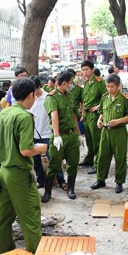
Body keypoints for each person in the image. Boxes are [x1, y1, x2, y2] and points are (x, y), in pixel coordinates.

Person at [0, 78, 47, 254]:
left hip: (3, 170)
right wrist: (42, 148)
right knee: (30, 216)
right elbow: (26, 150)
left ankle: (6, 254)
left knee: (4, 217)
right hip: (18, 174)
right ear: (31, 95)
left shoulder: (2, 113)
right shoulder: (24, 116)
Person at [90, 74, 128, 194]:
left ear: (118, 86)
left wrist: (118, 121)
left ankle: (119, 182)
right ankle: (100, 179)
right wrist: (100, 120)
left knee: (120, 157)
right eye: (108, 86)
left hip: (119, 132)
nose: (110, 89)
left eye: (112, 87)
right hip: (105, 131)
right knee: (102, 156)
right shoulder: (105, 98)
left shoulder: (125, 99)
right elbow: (102, 112)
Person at [42, 71, 82, 202]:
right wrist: (57, 135)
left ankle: (71, 188)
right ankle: (47, 192)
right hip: (60, 137)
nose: (72, 85)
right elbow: (54, 116)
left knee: (73, 163)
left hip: (72, 136)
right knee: (54, 165)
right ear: (64, 83)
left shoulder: (70, 96)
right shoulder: (51, 97)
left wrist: (79, 134)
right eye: (71, 82)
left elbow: (74, 116)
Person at [28, 76, 66, 190]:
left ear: (38, 87)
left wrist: (56, 134)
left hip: (46, 134)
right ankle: (41, 181)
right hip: (33, 134)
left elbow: (54, 116)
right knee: (36, 161)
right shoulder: (29, 98)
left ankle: (61, 181)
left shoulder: (47, 98)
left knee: (53, 159)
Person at [80, 60, 107, 174]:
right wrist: (82, 114)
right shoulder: (86, 83)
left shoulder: (99, 82)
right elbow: (84, 100)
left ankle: (98, 164)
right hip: (86, 115)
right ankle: (89, 159)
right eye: (83, 70)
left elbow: (106, 97)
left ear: (92, 69)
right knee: (89, 139)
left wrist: (98, 107)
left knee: (96, 140)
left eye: (86, 69)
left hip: (95, 115)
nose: (84, 72)